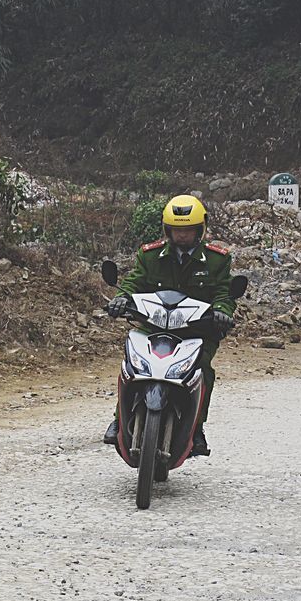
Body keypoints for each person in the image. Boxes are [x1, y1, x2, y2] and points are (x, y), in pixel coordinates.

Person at [103, 195, 235, 456]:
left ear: (200, 230)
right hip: (152, 325)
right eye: (177, 230)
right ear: (167, 229)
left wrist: (221, 312)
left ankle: (196, 428)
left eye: (188, 230)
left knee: (203, 370)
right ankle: (119, 419)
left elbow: (224, 293)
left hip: (197, 330)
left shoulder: (217, 260)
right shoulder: (150, 255)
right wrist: (121, 299)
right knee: (130, 364)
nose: (182, 236)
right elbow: (134, 282)